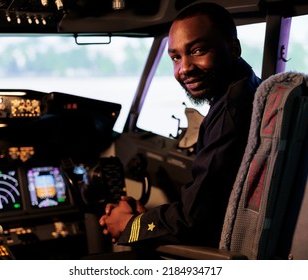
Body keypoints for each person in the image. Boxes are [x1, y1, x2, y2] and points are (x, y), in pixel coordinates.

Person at [99, 2, 262, 251]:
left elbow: (192, 221)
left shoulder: (231, 113)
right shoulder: (248, 90)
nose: (184, 68)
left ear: (233, 48)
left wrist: (129, 225)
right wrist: (143, 220)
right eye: (176, 57)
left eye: (197, 50)